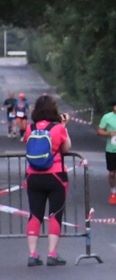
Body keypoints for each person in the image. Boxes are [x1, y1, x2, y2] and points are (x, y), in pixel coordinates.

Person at [23, 95, 72, 266]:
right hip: (56, 175)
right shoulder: (58, 128)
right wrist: (64, 126)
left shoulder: (31, 128)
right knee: (55, 214)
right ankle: (52, 254)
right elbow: (66, 148)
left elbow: (28, 145)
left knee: (35, 214)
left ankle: (32, 254)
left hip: (33, 176)